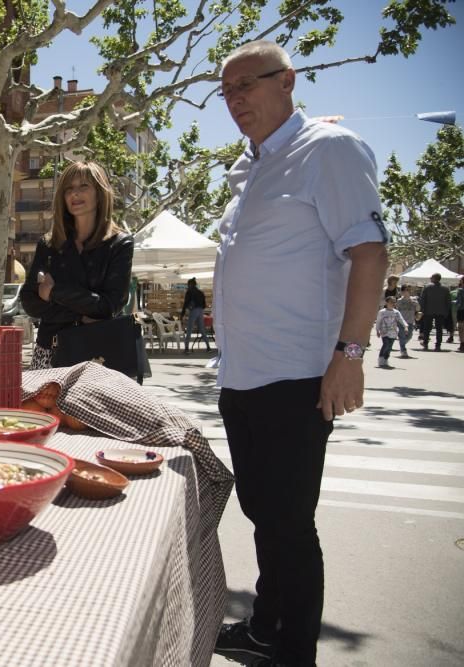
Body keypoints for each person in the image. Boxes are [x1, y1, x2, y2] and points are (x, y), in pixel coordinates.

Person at [211, 41, 388, 667]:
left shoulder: (328, 150)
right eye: (225, 91)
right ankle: (265, 625)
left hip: (296, 374)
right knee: (264, 515)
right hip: (244, 374)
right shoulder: (252, 166)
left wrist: (351, 353)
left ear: (288, 81)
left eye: (246, 86)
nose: (234, 101)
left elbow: (369, 253)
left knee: (289, 524)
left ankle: (294, 653)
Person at [19, 161, 133, 370]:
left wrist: (54, 292)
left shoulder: (120, 243)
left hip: (98, 355)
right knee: (42, 404)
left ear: (99, 193)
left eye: (83, 186)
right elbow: (29, 301)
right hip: (49, 351)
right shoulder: (49, 243)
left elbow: (110, 306)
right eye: (69, 189)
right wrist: (83, 312)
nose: (75, 194)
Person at [417, 273, 451, 351]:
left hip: (428, 311)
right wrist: (446, 311)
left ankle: (425, 344)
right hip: (441, 311)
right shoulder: (445, 288)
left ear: (433, 278)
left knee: (427, 328)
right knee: (439, 329)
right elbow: (448, 302)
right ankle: (438, 345)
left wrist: (422, 310)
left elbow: (423, 299)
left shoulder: (427, 287)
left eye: (431, 277)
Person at [179, 277, 211, 354]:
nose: (187, 286)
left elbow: (186, 303)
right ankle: (208, 347)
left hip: (194, 311)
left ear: (190, 284)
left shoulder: (189, 292)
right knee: (202, 329)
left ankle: (186, 349)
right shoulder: (200, 292)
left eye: (188, 284)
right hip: (201, 311)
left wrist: (182, 314)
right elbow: (204, 305)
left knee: (189, 329)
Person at [375, 297, 407, 368]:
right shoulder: (382, 312)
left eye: (394, 302)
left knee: (389, 347)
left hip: (393, 332)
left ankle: (386, 359)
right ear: (386, 303)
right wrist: (377, 330)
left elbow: (401, 319)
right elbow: (378, 321)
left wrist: (405, 326)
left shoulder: (396, 312)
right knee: (386, 344)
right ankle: (381, 359)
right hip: (384, 332)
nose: (393, 303)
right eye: (391, 302)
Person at [394, 285, 420, 359]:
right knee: (402, 336)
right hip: (401, 321)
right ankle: (403, 350)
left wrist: (416, 304)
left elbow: (418, 309)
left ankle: (402, 344)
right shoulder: (399, 301)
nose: (407, 292)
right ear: (402, 292)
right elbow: (396, 310)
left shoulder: (414, 300)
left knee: (409, 336)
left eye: (409, 290)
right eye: (405, 290)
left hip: (410, 321)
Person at [456, 276, 464, 352]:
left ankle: (462, 343)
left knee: (461, 327)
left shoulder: (460, 290)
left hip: (461, 310)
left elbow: (459, 302)